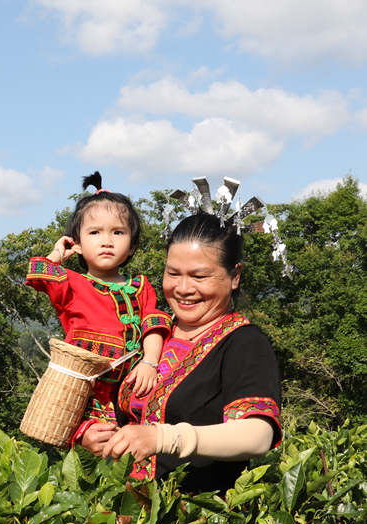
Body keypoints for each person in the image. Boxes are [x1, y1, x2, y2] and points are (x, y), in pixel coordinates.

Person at [83, 212, 283, 491]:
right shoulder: (153, 334)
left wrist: (164, 438)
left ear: (234, 276)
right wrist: (95, 436)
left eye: (199, 276)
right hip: (126, 519)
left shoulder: (244, 342)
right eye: (173, 273)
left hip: (195, 522)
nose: (184, 289)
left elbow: (257, 435)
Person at [25, 171, 171, 446]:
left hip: (137, 388)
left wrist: (150, 362)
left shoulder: (141, 286)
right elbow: (38, 274)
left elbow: (154, 324)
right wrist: (58, 253)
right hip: (85, 397)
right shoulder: (71, 283)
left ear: (132, 246)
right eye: (94, 233)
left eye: (118, 232)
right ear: (77, 243)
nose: (107, 240)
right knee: (97, 460)